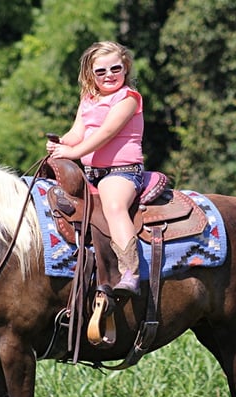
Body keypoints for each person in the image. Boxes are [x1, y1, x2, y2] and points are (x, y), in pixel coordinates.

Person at [46, 41, 144, 297]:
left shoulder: (128, 98)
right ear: (91, 74)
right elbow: (78, 132)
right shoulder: (88, 98)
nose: (109, 75)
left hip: (121, 171)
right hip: (91, 174)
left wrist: (73, 153)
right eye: (101, 71)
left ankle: (130, 272)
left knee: (114, 207)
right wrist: (61, 143)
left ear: (126, 69)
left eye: (115, 68)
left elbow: (107, 133)